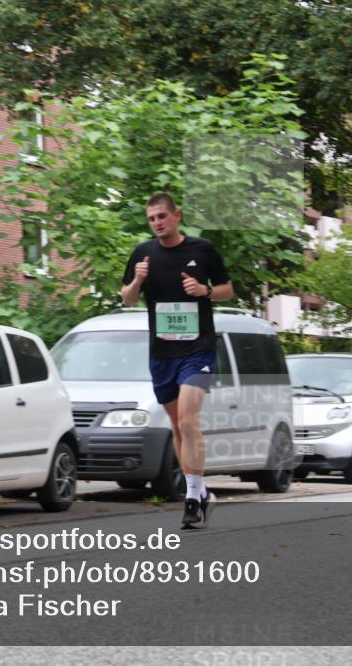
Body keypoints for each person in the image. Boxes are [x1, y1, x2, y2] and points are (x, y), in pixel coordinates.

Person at [121, 193, 234, 528]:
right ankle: (203, 494)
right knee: (177, 427)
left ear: (176, 216)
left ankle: (191, 498)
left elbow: (227, 288)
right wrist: (138, 280)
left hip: (198, 349)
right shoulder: (143, 254)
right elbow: (127, 300)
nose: (157, 223)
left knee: (187, 421)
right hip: (162, 353)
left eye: (162, 216)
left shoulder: (202, 249)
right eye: (152, 218)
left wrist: (206, 292)